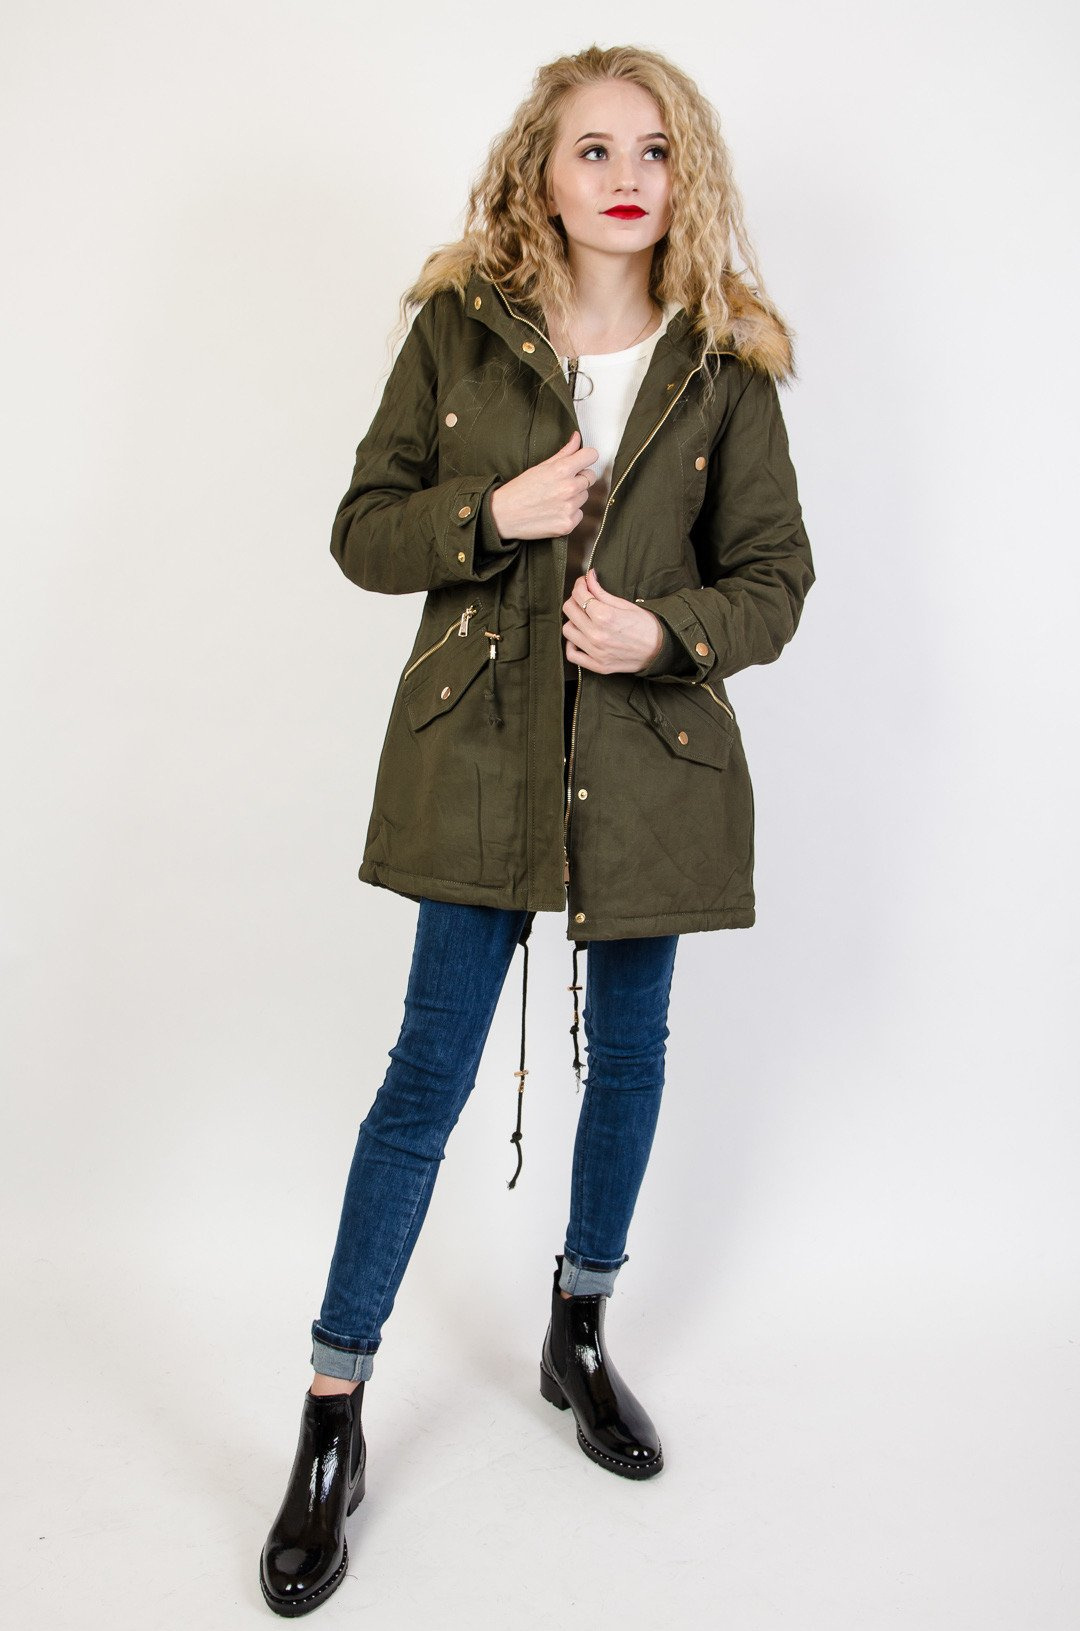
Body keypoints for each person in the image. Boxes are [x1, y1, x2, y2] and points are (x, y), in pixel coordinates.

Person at [259, 41, 814, 1617]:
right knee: (425, 1077)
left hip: (650, 770)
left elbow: (776, 578)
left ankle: (579, 1330)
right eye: (594, 150)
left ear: (684, 175)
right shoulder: (460, 330)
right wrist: (488, 517)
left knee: (629, 1061)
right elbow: (364, 531)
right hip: (480, 760)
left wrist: (665, 634)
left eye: (655, 149)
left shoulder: (725, 363)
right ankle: (331, 1413)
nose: (627, 176)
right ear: (540, 173)